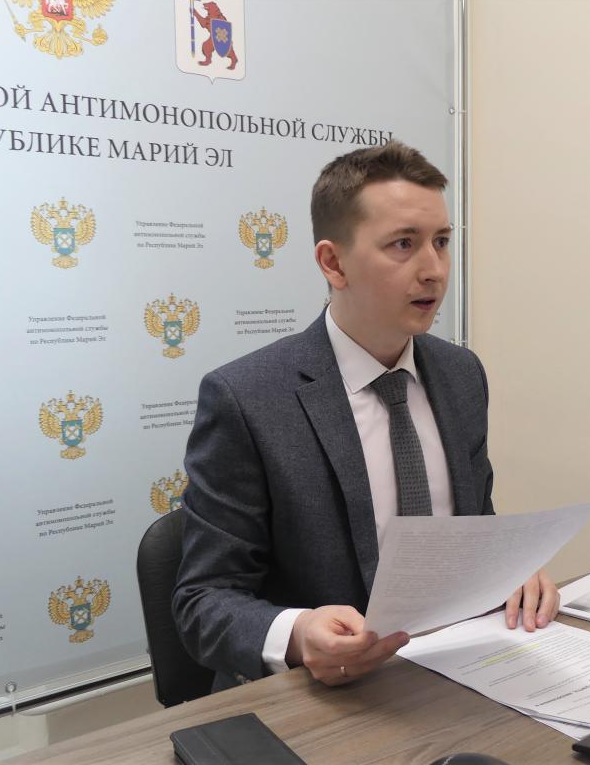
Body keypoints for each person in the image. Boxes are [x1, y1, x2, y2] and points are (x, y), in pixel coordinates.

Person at [172, 141, 559, 691]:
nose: (434, 270)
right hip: (320, 698)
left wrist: (510, 573)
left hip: (455, 673)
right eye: (404, 244)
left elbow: (474, 526)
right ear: (333, 263)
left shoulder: (460, 374)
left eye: (441, 241)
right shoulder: (247, 398)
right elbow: (202, 601)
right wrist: (299, 633)